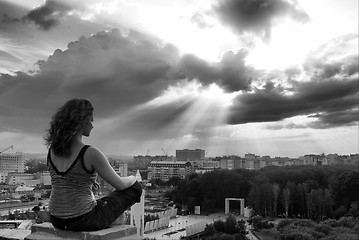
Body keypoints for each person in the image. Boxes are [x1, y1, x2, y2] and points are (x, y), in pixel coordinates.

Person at [44, 99, 142, 231]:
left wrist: (87, 180)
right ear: (81, 121)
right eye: (91, 120)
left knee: (101, 199)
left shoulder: (52, 151)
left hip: (56, 219)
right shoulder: (90, 153)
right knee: (134, 188)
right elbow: (120, 184)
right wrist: (133, 178)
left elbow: (65, 180)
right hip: (83, 220)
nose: (92, 125)